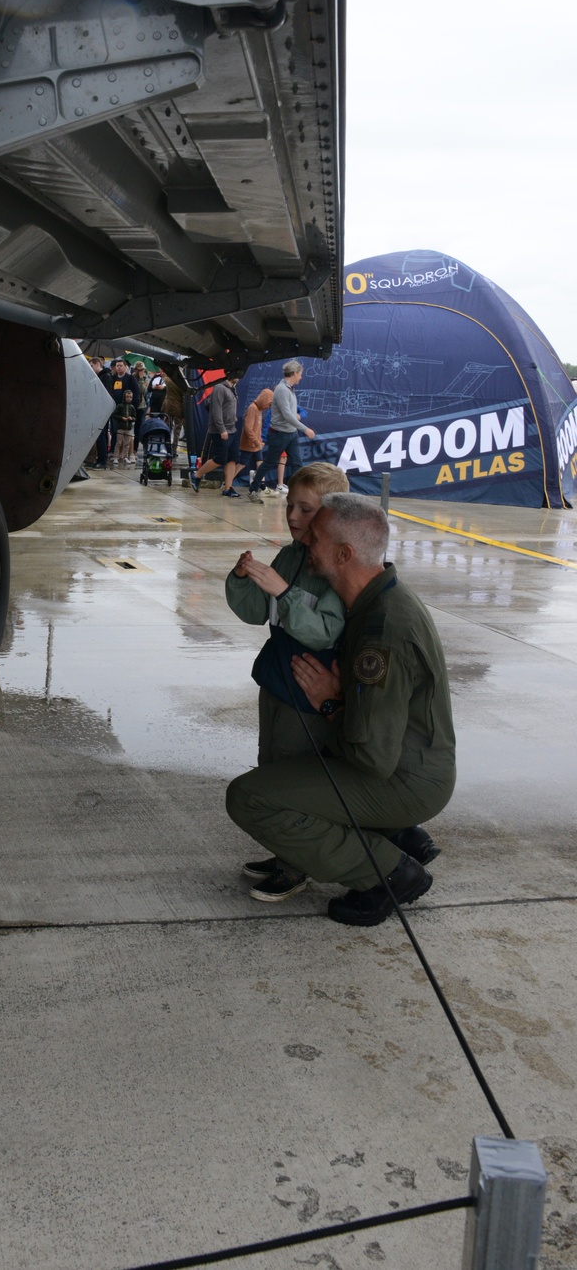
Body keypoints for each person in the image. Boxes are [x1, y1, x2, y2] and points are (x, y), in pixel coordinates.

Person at [225, 494, 454, 925]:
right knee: (283, 772)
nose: (305, 539)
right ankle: (393, 835)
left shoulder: (381, 631)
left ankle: (388, 872)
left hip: (401, 778)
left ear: (344, 553)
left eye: (316, 535)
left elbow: (372, 756)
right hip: (401, 764)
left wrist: (331, 702)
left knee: (251, 798)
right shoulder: (375, 600)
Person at [226, 462, 348, 783]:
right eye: (290, 505)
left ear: (330, 515)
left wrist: (283, 591)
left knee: (289, 769)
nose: (292, 516)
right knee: (268, 756)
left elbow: (324, 633)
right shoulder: (290, 556)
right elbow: (257, 613)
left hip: (307, 696)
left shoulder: (335, 570)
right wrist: (242, 580)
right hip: (275, 682)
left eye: (305, 509)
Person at [190, 374, 242, 497]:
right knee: (219, 459)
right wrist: (222, 429)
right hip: (220, 431)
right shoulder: (219, 388)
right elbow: (216, 411)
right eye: (237, 373)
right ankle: (196, 475)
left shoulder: (232, 388)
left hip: (232, 430)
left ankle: (227, 488)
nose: (239, 376)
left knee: (232, 460)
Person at [267, 360, 315, 491]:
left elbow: (292, 411)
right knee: (269, 463)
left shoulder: (290, 390)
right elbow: (287, 414)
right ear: (294, 373)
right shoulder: (282, 389)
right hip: (280, 433)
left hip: (291, 432)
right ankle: (254, 488)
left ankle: (297, 490)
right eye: (300, 374)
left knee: (297, 463)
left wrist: (298, 417)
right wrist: (305, 429)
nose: (301, 377)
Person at [240, 387, 274, 502]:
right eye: (268, 404)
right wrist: (256, 441)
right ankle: (227, 483)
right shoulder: (252, 408)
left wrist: (260, 441)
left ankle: (262, 485)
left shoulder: (259, 410)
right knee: (241, 464)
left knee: (260, 463)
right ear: (264, 399)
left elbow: (257, 429)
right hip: (250, 444)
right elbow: (248, 428)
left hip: (256, 444)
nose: (268, 407)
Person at [107, 358, 139, 463]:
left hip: (127, 410)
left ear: (125, 367)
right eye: (117, 366)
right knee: (115, 431)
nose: (119, 367)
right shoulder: (113, 378)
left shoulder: (130, 378)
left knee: (128, 435)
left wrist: (132, 408)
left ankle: (128, 454)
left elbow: (136, 393)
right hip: (115, 409)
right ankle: (114, 453)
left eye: (121, 365)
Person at [88, 356, 111, 468]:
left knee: (101, 435)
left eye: (92, 366)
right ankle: (100, 459)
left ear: (98, 364)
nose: (91, 368)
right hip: (99, 409)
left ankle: (102, 460)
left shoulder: (105, 376)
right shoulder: (99, 377)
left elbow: (105, 394)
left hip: (102, 410)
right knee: (99, 435)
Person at [162, 374, 185, 459]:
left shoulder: (168, 380)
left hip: (168, 407)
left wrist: (163, 407)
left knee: (167, 428)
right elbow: (184, 398)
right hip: (178, 408)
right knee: (177, 430)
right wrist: (184, 412)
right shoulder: (182, 383)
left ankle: (166, 448)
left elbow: (167, 396)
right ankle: (174, 450)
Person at [114, 388, 137, 465]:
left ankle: (125, 457)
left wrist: (131, 419)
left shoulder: (132, 407)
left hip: (128, 428)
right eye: (127, 397)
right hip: (121, 427)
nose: (129, 398)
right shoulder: (120, 406)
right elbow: (115, 415)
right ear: (124, 397)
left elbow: (135, 417)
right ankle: (116, 457)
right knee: (119, 443)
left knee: (127, 444)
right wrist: (121, 418)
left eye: (130, 397)